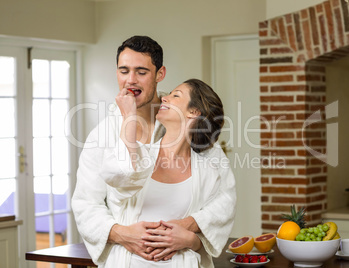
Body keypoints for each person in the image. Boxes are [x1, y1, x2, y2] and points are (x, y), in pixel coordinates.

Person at [71, 36, 236, 267]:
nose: (130, 80)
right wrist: (123, 234)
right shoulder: (102, 136)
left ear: (160, 74)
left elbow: (224, 197)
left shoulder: (190, 131)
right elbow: (86, 203)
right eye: (123, 70)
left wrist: (185, 228)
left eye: (141, 71)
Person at [102, 78, 228, 267]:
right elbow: (120, 175)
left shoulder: (207, 173)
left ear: (193, 112)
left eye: (175, 95)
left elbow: (210, 230)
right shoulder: (138, 155)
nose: (164, 98)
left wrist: (190, 241)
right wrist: (129, 115)